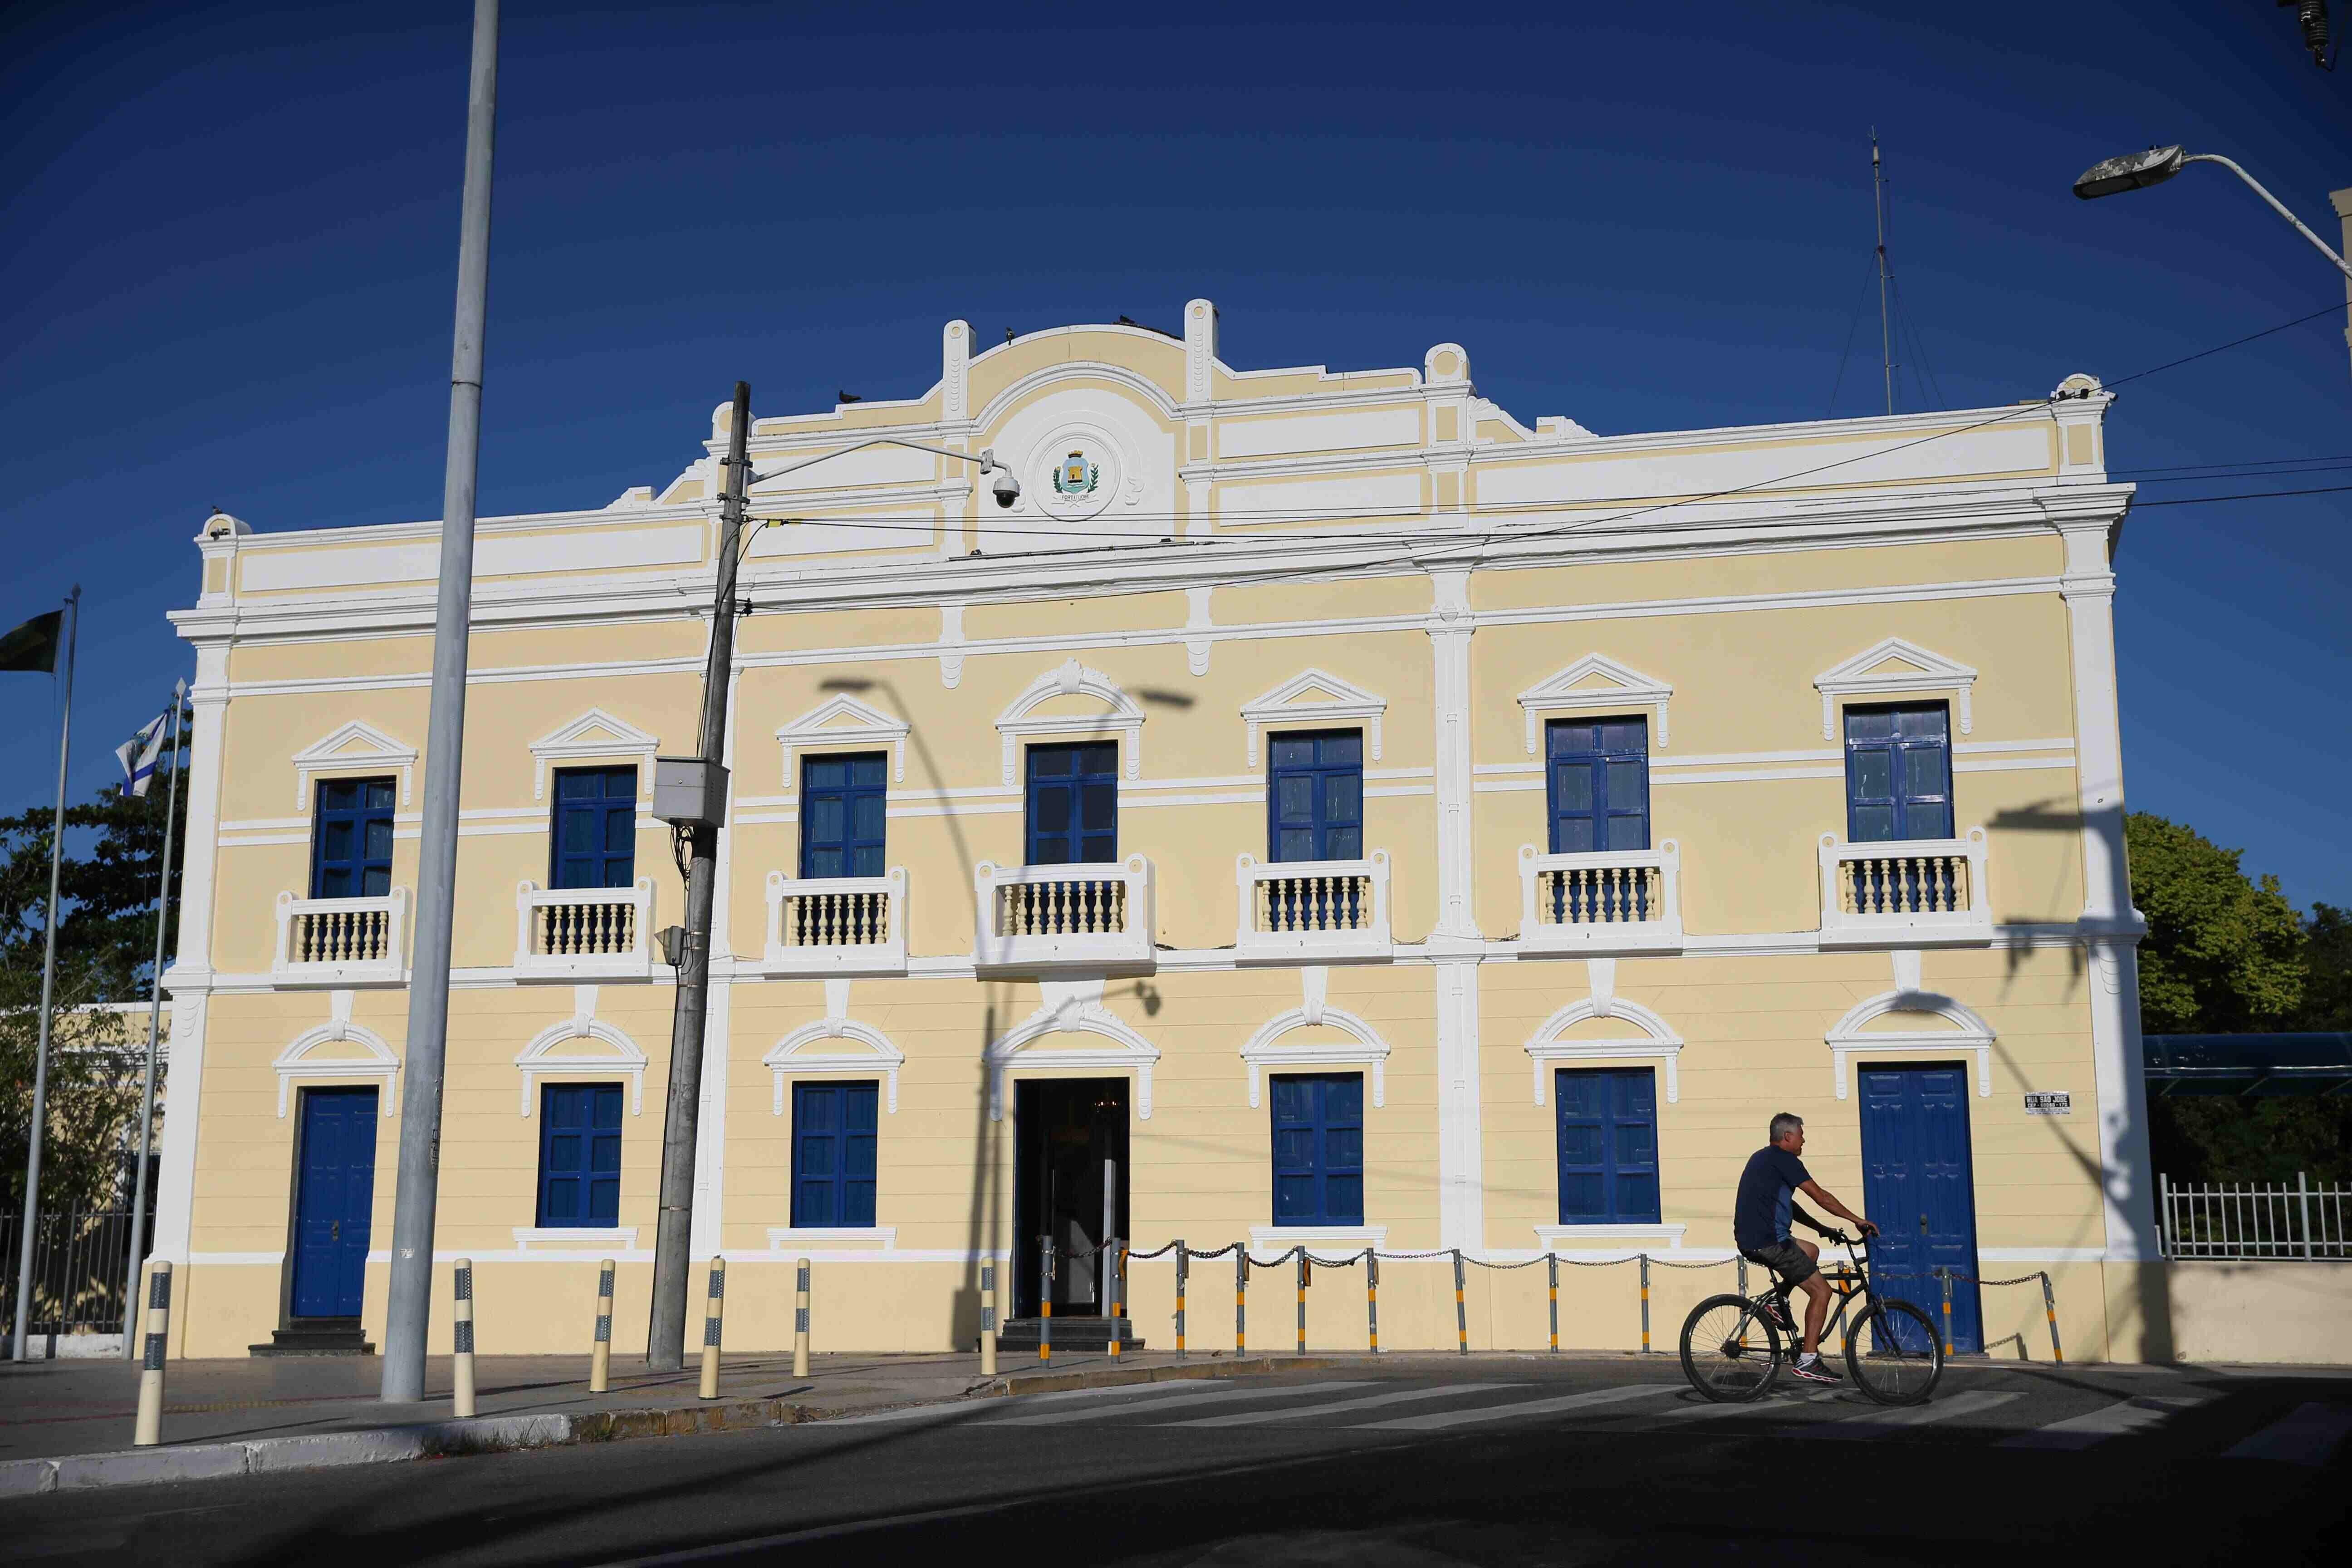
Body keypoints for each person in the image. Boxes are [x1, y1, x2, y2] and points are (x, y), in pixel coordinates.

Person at [1733, 1112, 1878, 1384]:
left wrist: (1821, 1229)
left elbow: (1789, 1206)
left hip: (1757, 1238)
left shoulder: (1763, 1158)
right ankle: (1809, 1360)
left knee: (1811, 1251)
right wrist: (1857, 1220)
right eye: (1801, 1133)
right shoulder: (1784, 1159)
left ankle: (1776, 1302)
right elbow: (1821, 1196)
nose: (1804, 1140)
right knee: (1822, 1291)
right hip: (1769, 1241)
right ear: (1787, 1137)